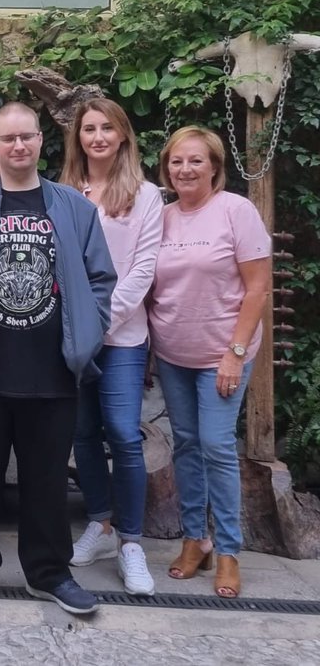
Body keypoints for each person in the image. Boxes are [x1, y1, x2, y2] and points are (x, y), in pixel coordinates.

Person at [0, 102, 115, 616]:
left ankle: (49, 573)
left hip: (52, 371)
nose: (18, 146)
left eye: (26, 137)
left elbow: (102, 279)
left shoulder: (74, 208)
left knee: (47, 481)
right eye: (7, 139)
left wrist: (87, 334)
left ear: (40, 141)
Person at [148, 126, 271, 600]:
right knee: (184, 445)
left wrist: (235, 354)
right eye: (177, 161)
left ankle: (228, 551)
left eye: (196, 161)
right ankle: (195, 538)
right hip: (174, 354)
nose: (185, 170)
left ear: (215, 167)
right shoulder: (162, 217)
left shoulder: (235, 211)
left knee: (217, 445)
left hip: (223, 354)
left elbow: (257, 288)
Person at [59, 99, 163, 596]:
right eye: (89, 129)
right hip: (69, 336)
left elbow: (143, 270)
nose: (97, 137)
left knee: (122, 433)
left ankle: (131, 542)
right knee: (81, 433)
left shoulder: (145, 196)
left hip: (121, 337)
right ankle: (99, 525)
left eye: (107, 128)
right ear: (78, 136)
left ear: (123, 135)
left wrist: (98, 321)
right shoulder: (62, 192)